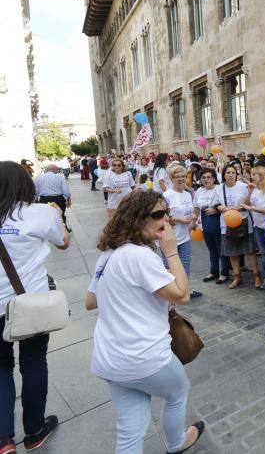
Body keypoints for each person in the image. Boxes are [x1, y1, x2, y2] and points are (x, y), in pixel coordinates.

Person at [85, 190, 204, 453]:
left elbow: (91, 300)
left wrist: (130, 293)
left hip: (110, 359)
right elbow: (183, 295)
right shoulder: (140, 255)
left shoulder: (108, 255)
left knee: (130, 432)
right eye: (158, 214)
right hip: (145, 357)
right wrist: (171, 253)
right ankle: (176, 443)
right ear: (137, 218)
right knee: (178, 392)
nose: (165, 221)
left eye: (167, 213)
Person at [0, 162, 70, 453]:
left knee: (1, 369)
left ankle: (4, 440)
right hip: (30, 302)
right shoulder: (39, 212)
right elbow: (64, 242)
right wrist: (58, 215)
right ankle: (34, 431)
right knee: (33, 363)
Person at [213, 164, 261, 289]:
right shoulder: (219, 188)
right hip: (226, 224)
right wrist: (221, 207)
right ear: (223, 174)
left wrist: (240, 205)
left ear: (236, 174)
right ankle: (237, 276)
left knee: (250, 251)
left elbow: (249, 202)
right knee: (232, 252)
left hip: (244, 222)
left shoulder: (243, 187)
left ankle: (257, 276)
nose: (230, 175)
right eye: (228, 172)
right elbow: (216, 203)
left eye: (233, 172)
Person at [162, 164, 201, 299]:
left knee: (185, 263)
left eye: (183, 176)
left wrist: (193, 220)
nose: (181, 179)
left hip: (184, 236)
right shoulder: (167, 195)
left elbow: (190, 212)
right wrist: (178, 219)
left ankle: (185, 290)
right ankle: (171, 291)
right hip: (169, 238)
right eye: (177, 177)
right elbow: (161, 217)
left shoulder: (188, 194)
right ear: (172, 179)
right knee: (169, 266)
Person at [193, 167, 231, 285]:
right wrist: (195, 222)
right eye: (203, 177)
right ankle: (213, 271)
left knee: (221, 249)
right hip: (205, 224)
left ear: (214, 178)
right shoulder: (199, 191)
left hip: (219, 222)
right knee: (211, 249)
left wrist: (216, 211)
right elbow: (196, 208)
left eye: (209, 177)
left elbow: (227, 205)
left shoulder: (220, 189)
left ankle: (224, 273)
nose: (206, 179)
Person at [34, 164, 72, 230]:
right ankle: (64, 230)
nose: (57, 171)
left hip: (44, 199)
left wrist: (36, 201)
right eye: (57, 170)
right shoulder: (60, 177)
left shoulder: (38, 178)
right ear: (54, 170)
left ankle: (48, 230)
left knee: (45, 216)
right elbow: (66, 191)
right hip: (58, 199)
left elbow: (35, 192)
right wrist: (68, 199)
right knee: (60, 215)